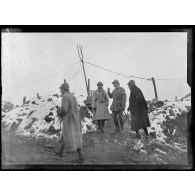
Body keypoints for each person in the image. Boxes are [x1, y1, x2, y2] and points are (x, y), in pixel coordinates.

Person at [54, 81, 84, 163]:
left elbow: (65, 110)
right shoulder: (72, 96)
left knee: (72, 136)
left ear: (64, 89)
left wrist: (59, 112)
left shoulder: (65, 96)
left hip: (69, 119)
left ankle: (81, 157)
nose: (60, 91)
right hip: (75, 119)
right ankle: (60, 152)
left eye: (61, 89)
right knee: (67, 134)